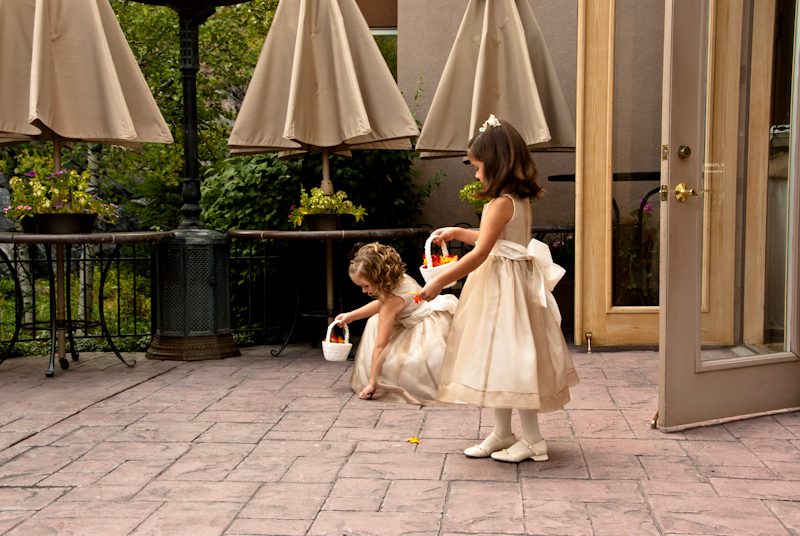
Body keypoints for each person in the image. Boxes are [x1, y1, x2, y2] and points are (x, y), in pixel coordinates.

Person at [418, 114, 579, 463]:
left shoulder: (500, 203)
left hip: (502, 291)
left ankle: (533, 440)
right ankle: (503, 433)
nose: (476, 175)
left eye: (478, 168)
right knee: (502, 359)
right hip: (514, 286)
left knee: (513, 359)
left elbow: (481, 253)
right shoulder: (516, 201)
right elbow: (497, 239)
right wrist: (458, 232)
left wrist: (439, 281)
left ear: (495, 164)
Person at [336, 242, 458, 404]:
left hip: (422, 331)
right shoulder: (399, 279)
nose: (364, 291)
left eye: (365, 285)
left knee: (375, 326)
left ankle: (382, 379)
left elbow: (380, 345)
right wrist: (352, 315)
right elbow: (382, 303)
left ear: (378, 279)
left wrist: (373, 383)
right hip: (432, 317)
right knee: (375, 320)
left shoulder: (391, 301)